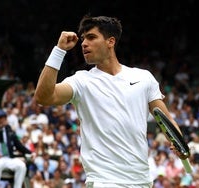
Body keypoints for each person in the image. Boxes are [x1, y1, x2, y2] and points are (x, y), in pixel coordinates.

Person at [34, 15, 188, 188]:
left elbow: (166, 120)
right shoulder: (81, 81)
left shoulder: (143, 78)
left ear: (110, 41)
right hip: (104, 181)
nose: (84, 43)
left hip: (141, 180)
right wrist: (59, 50)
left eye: (91, 37)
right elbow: (43, 97)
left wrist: (180, 143)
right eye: (83, 39)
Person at [0, 109, 34, 188]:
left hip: (8, 159)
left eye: (1, 118)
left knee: (21, 166)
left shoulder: (9, 130)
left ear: (5, 119)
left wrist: (30, 153)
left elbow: (19, 146)